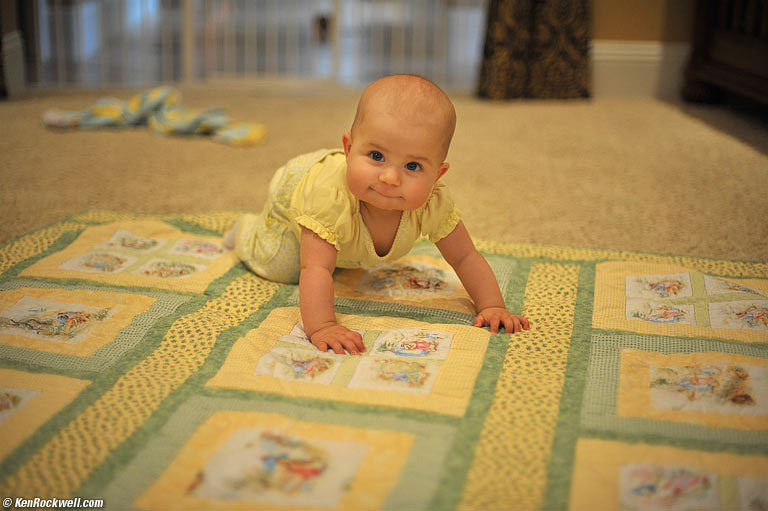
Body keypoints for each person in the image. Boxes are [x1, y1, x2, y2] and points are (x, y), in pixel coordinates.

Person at [225, 74, 530, 355]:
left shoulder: (433, 203)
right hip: (295, 193)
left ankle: (341, 242)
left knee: (340, 260)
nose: (389, 178)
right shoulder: (328, 200)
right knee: (289, 267)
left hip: (341, 227)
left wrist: (491, 305)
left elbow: (465, 256)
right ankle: (244, 230)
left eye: (412, 166)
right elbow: (314, 270)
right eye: (376, 156)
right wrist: (323, 326)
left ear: (438, 175)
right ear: (348, 148)